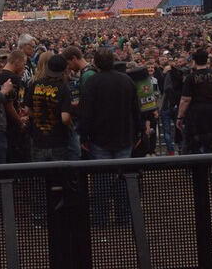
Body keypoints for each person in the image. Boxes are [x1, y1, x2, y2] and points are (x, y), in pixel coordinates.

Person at [79, 49, 141, 228]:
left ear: (96, 63)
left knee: (101, 180)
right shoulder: (126, 80)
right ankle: (123, 217)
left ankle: (101, 219)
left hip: (100, 138)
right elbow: (136, 109)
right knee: (122, 178)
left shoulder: (92, 83)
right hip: (123, 136)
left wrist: (83, 136)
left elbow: (86, 113)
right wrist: (138, 132)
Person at [176, 49, 212, 154]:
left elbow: (185, 100)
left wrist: (180, 117)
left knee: (197, 146)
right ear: (207, 60)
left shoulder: (190, 77)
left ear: (194, 61)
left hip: (197, 115)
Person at [24, 53, 72, 162]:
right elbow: (65, 118)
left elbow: (27, 109)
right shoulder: (63, 88)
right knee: (57, 171)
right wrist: (70, 126)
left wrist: (39, 117)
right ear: (64, 70)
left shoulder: (35, 84)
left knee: (40, 171)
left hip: (38, 139)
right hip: (58, 140)